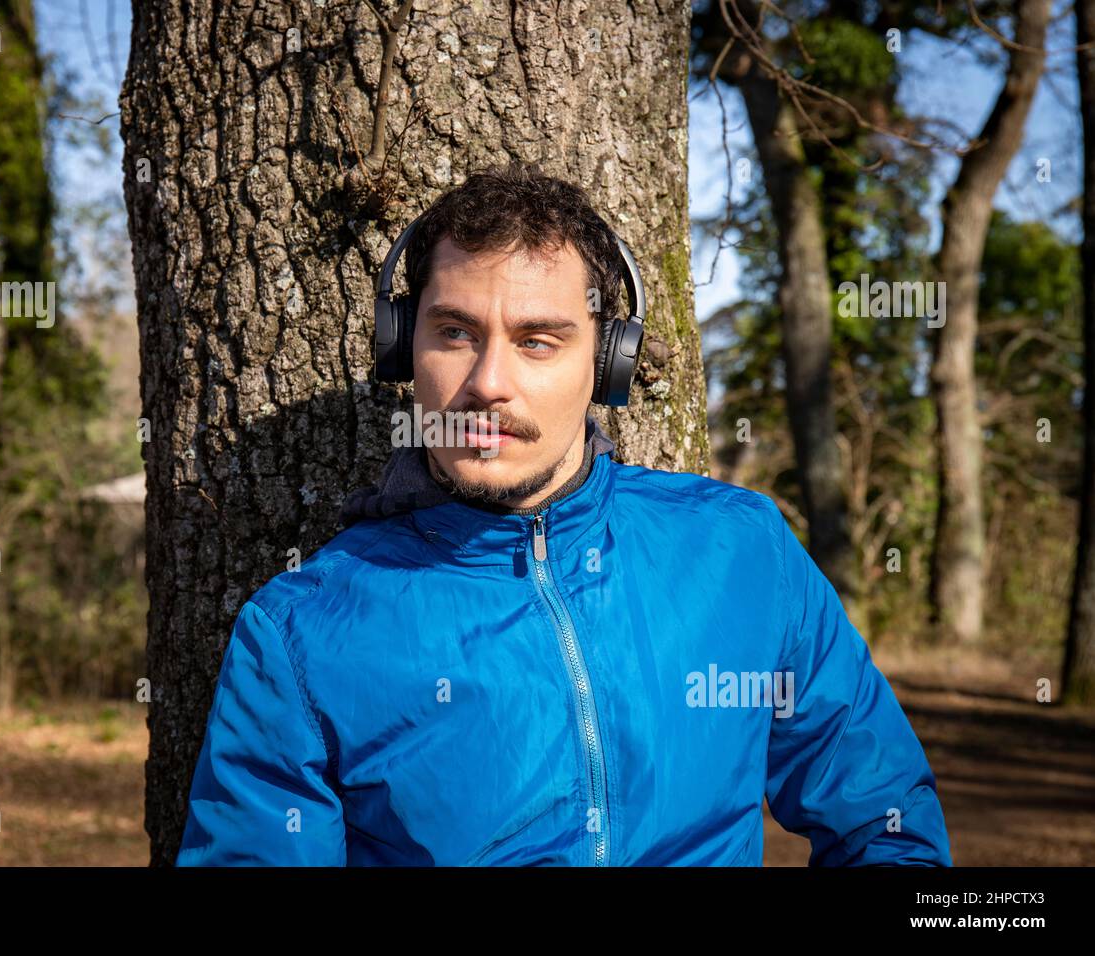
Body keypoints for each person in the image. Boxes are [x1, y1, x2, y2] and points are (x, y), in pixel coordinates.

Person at [175, 162, 953, 866]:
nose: (488, 383)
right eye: (454, 333)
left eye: (538, 341)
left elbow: (885, 823)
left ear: (606, 365)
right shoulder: (300, 635)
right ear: (403, 349)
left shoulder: (739, 553)